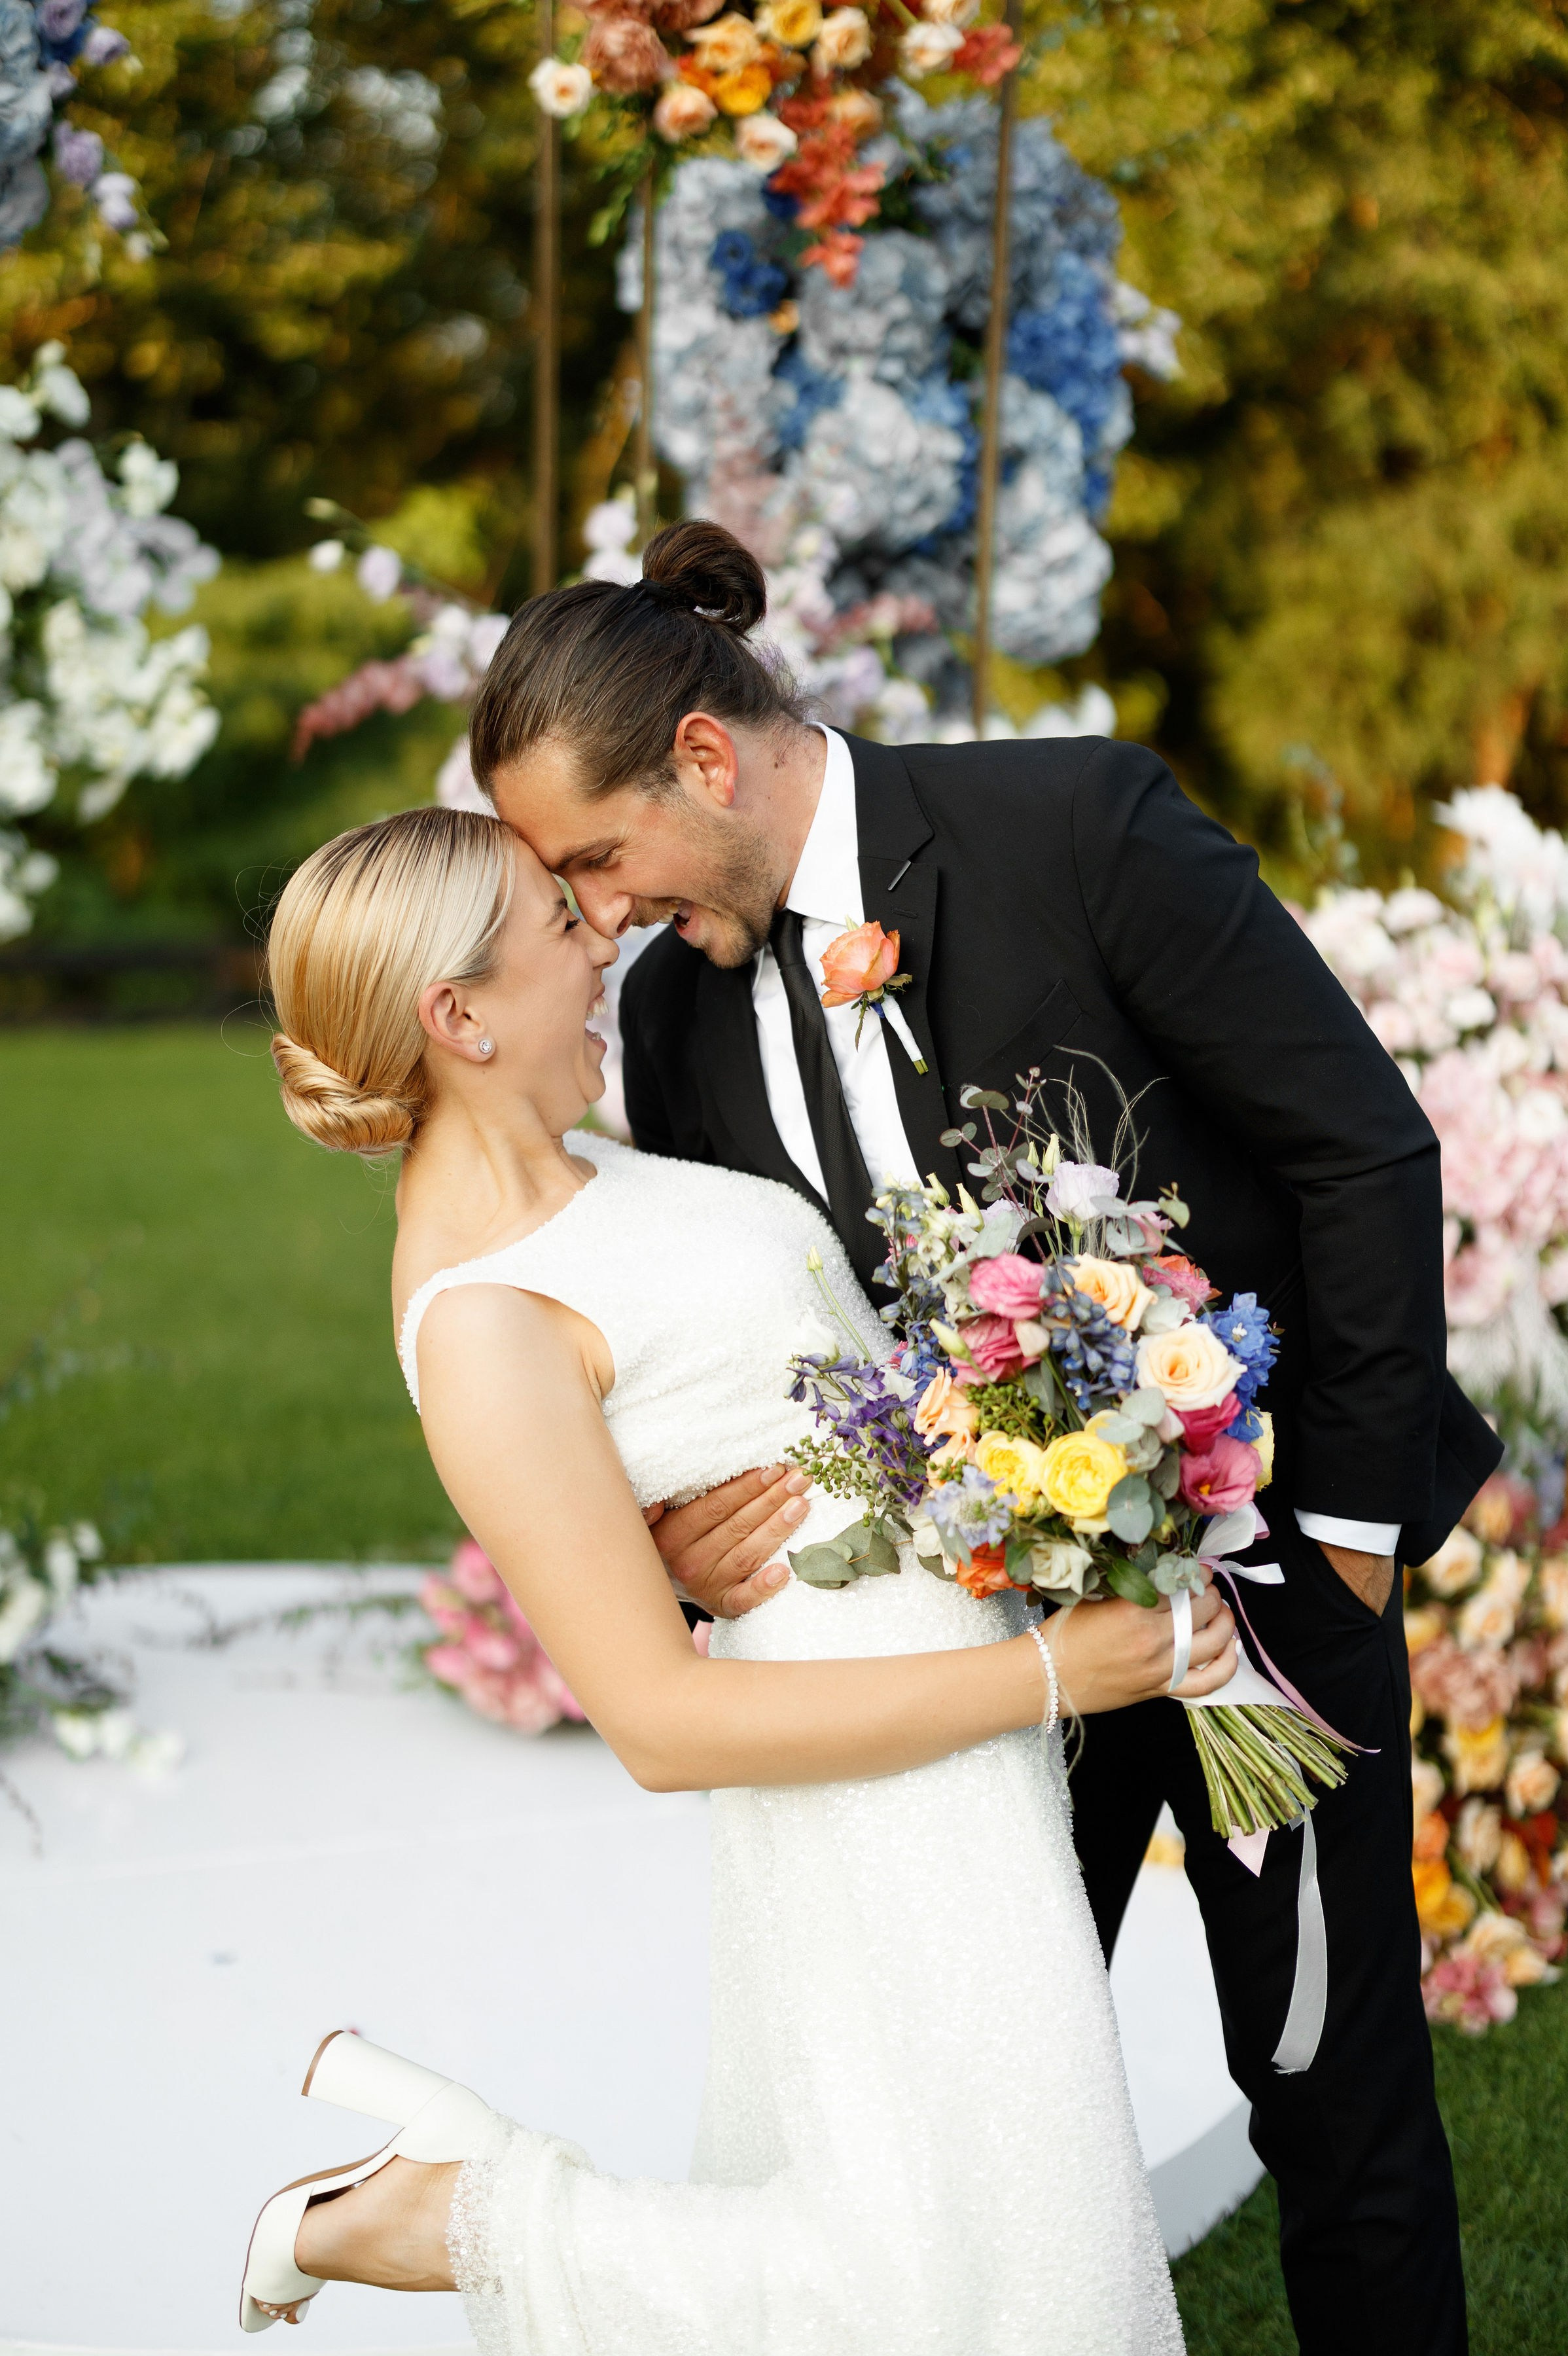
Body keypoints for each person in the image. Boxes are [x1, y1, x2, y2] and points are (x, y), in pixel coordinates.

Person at [468, 518, 1503, 2356]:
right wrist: (682, 1542)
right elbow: (750, 1323)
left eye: (598, 858)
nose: (598, 910)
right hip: (976, 1644)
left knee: (1322, 2083)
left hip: (1263, 1579)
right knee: (973, 2130)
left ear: (706, 759)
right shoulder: (678, 1016)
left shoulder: (1079, 828)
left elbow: (1364, 1151)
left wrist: (1338, 1543)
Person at [241, 801, 1241, 2346]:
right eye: (557, 930)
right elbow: (656, 1725)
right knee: (941, 2277)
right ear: (457, 1018)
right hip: (877, 1788)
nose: (604, 943)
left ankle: (460, 2207)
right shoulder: (482, 1322)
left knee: (1003, 2237)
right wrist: (1054, 1671)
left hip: (960, 1744)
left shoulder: (582, 1172)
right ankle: (463, 2216)